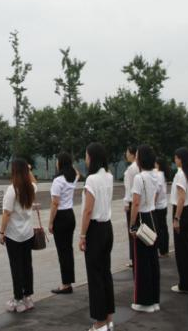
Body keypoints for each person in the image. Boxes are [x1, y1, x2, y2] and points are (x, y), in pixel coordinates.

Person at [79, 142, 115, 331]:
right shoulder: (109, 176)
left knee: (95, 277)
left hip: (95, 230)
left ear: (92, 157)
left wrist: (82, 235)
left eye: (86, 155)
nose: (85, 159)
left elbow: (88, 210)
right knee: (105, 273)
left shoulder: (92, 180)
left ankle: (99, 323)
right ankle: (109, 318)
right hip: (107, 228)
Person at [0, 158, 37, 313]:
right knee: (27, 265)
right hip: (28, 233)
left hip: (14, 235)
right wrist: (29, 170)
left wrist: (2, 232)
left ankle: (18, 299)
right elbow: (34, 182)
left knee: (16, 266)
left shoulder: (12, 189)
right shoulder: (30, 188)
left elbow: (6, 213)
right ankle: (28, 297)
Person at [129, 144, 161, 313]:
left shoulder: (139, 177)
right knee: (153, 260)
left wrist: (131, 224)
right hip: (153, 216)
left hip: (142, 217)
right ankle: (154, 300)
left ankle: (144, 302)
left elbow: (135, 203)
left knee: (141, 262)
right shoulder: (156, 175)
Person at [48, 152, 78, 295]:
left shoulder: (58, 180)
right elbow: (77, 172)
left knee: (63, 252)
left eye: (57, 161)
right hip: (70, 215)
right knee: (68, 250)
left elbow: (55, 203)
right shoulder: (73, 177)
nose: (56, 163)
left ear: (60, 163)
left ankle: (66, 285)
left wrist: (50, 222)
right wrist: (70, 166)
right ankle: (68, 282)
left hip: (60, 217)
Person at [171, 147, 188, 294]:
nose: (174, 160)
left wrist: (176, 218)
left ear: (180, 159)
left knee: (182, 251)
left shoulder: (181, 174)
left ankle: (185, 284)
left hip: (182, 212)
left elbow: (181, 198)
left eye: (176, 158)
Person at [122, 145, 139, 268]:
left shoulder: (131, 169)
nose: (126, 154)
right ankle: (137, 258)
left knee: (132, 230)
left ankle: (134, 259)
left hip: (132, 202)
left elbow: (129, 188)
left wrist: (126, 203)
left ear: (132, 154)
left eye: (127, 152)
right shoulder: (139, 167)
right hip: (138, 202)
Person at [153, 158, 170, 257]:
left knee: (159, 229)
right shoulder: (163, 174)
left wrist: (153, 204)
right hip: (163, 205)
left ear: (158, 165)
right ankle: (165, 250)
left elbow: (156, 191)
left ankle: (161, 250)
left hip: (158, 206)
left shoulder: (158, 175)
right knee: (163, 228)